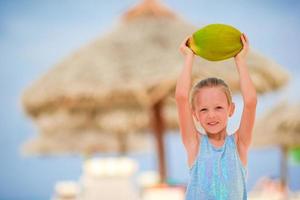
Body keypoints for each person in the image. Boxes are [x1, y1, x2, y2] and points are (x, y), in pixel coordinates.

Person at [175, 33, 257, 200]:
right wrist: (189, 57)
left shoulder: (239, 144)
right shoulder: (195, 144)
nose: (211, 115)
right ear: (195, 114)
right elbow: (181, 98)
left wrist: (240, 60)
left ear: (231, 109)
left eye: (218, 107)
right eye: (204, 110)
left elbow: (250, 102)